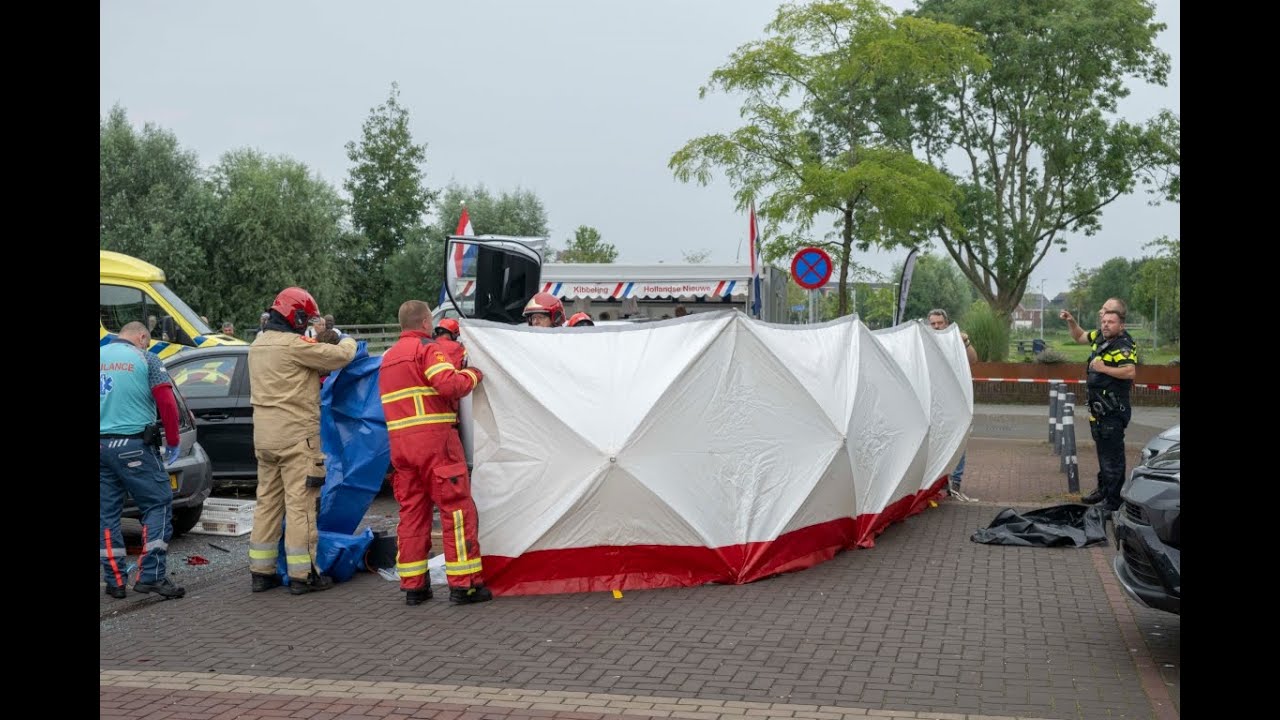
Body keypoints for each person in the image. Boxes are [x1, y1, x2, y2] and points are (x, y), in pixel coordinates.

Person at [379, 300, 491, 606]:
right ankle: (464, 584)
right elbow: (448, 385)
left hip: (401, 447)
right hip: (435, 443)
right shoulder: (427, 350)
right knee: (456, 511)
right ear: (426, 323)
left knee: (412, 514)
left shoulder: (388, 358)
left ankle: (414, 587)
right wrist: (474, 375)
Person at [247, 287, 358, 595]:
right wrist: (343, 336)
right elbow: (340, 356)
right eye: (304, 318)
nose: (304, 323)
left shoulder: (257, 344)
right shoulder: (294, 345)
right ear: (294, 316)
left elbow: (306, 365)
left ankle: (261, 571)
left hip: (265, 438)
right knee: (301, 505)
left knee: (267, 502)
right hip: (297, 439)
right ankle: (303, 574)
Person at [100, 321, 186, 600]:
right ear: (141, 337)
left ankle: (114, 582)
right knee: (158, 503)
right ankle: (152, 576)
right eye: (146, 341)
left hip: (102, 447)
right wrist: (172, 440)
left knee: (107, 515)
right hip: (134, 445)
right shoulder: (146, 357)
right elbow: (167, 402)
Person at [1067, 306, 1138, 510]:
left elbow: (1129, 372)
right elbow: (1079, 336)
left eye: (1111, 321)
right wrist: (1071, 320)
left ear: (1121, 325)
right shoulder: (1101, 337)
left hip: (1113, 410)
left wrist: (1102, 368)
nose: (1105, 324)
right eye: (1104, 321)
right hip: (1099, 410)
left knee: (1113, 458)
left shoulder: (1123, 344)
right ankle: (1105, 493)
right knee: (1104, 454)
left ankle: (1114, 503)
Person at [926, 309, 979, 502]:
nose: (937, 327)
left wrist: (965, 341)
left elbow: (973, 360)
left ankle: (955, 482)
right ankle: (936, 482)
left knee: (959, 439)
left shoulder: (956, 340)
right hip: (933, 402)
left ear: (946, 324)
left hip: (955, 401)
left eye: (940, 323)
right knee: (933, 441)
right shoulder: (924, 341)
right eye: (933, 324)